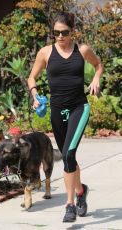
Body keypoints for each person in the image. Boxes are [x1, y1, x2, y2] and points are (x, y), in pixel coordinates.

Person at [27, 12, 103, 222]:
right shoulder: (46, 52)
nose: (60, 36)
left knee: (68, 155)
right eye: (56, 33)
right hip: (56, 111)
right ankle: (80, 191)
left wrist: (96, 78)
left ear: (72, 32)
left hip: (79, 107)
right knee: (69, 156)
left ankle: (69, 204)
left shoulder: (82, 50)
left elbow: (98, 65)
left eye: (64, 32)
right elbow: (31, 77)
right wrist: (35, 96)